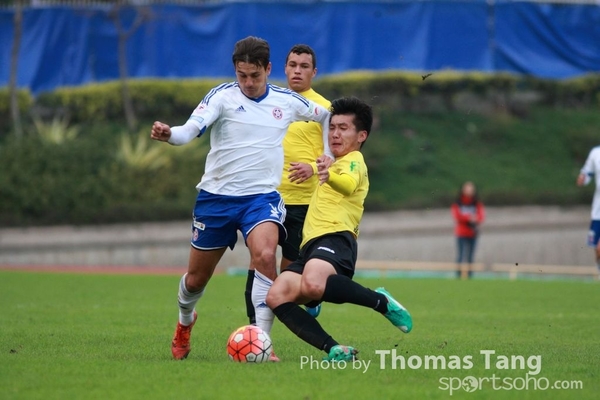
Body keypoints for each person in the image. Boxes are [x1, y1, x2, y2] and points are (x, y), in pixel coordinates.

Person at [150, 36, 333, 361]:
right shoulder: (221, 97)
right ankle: (185, 321)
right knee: (196, 280)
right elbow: (190, 130)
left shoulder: (287, 101)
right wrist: (170, 134)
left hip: (260, 199)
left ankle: (262, 340)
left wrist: (328, 154)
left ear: (268, 69)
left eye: (255, 75)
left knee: (265, 255)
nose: (248, 82)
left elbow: (326, 116)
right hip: (216, 199)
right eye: (242, 75)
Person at [266, 97, 413, 362]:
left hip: (336, 237)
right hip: (309, 246)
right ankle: (334, 349)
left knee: (313, 285)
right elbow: (323, 165)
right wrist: (316, 168)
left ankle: (380, 302)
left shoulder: (355, 160)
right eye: (332, 127)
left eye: (343, 128)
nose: (334, 134)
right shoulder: (331, 160)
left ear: (361, 136)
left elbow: (347, 184)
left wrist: (327, 174)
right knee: (277, 296)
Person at [244, 44, 330, 325]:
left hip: (304, 203)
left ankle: (310, 299)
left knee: (290, 272)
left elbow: (336, 156)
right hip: (267, 199)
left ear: (314, 72)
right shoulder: (270, 101)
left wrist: (313, 168)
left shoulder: (324, 108)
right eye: (292, 65)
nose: (297, 71)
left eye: (304, 66)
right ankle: (255, 329)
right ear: (284, 68)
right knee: (259, 260)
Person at [451, 181, 485, 279]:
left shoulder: (476, 203)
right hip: (461, 233)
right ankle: (458, 275)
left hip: (472, 233)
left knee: (470, 256)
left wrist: (475, 219)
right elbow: (457, 216)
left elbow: (481, 216)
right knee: (460, 255)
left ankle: (470, 276)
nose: (469, 192)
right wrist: (469, 218)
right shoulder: (458, 203)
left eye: (471, 190)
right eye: (467, 189)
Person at [577, 146, 600, 279]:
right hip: (598, 211)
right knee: (597, 251)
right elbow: (587, 172)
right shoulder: (595, 153)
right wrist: (583, 178)